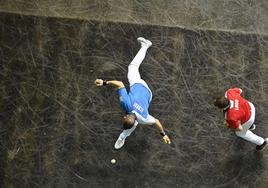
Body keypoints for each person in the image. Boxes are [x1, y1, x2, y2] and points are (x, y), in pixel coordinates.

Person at [95, 37, 171, 149]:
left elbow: (157, 122)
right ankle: (146, 45)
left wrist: (164, 135)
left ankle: (122, 137)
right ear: (126, 116)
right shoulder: (127, 104)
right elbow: (120, 84)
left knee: (134, 124)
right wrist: (104, 82)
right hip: (138, 84)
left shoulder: (144, 118)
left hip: (149, 94)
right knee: (132, 66)